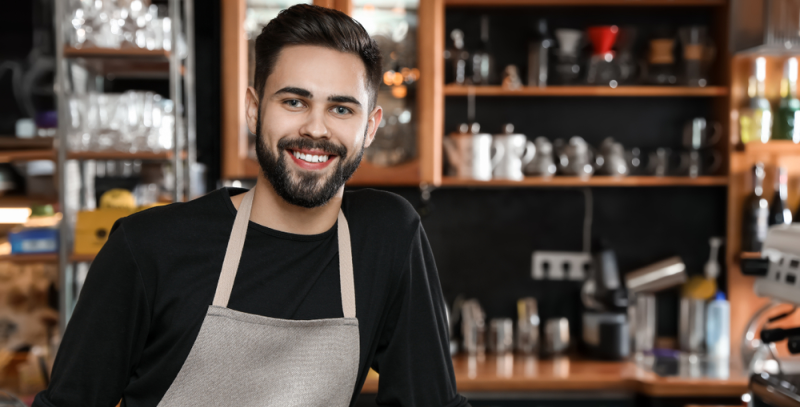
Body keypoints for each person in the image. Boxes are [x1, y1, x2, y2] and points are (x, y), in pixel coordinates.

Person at [33, 4, 469, 407]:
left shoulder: (385, 237)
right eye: (294, 102)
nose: (316, 129)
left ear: (370, 127)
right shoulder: (149, 247)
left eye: (341, 108)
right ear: (254, 110)